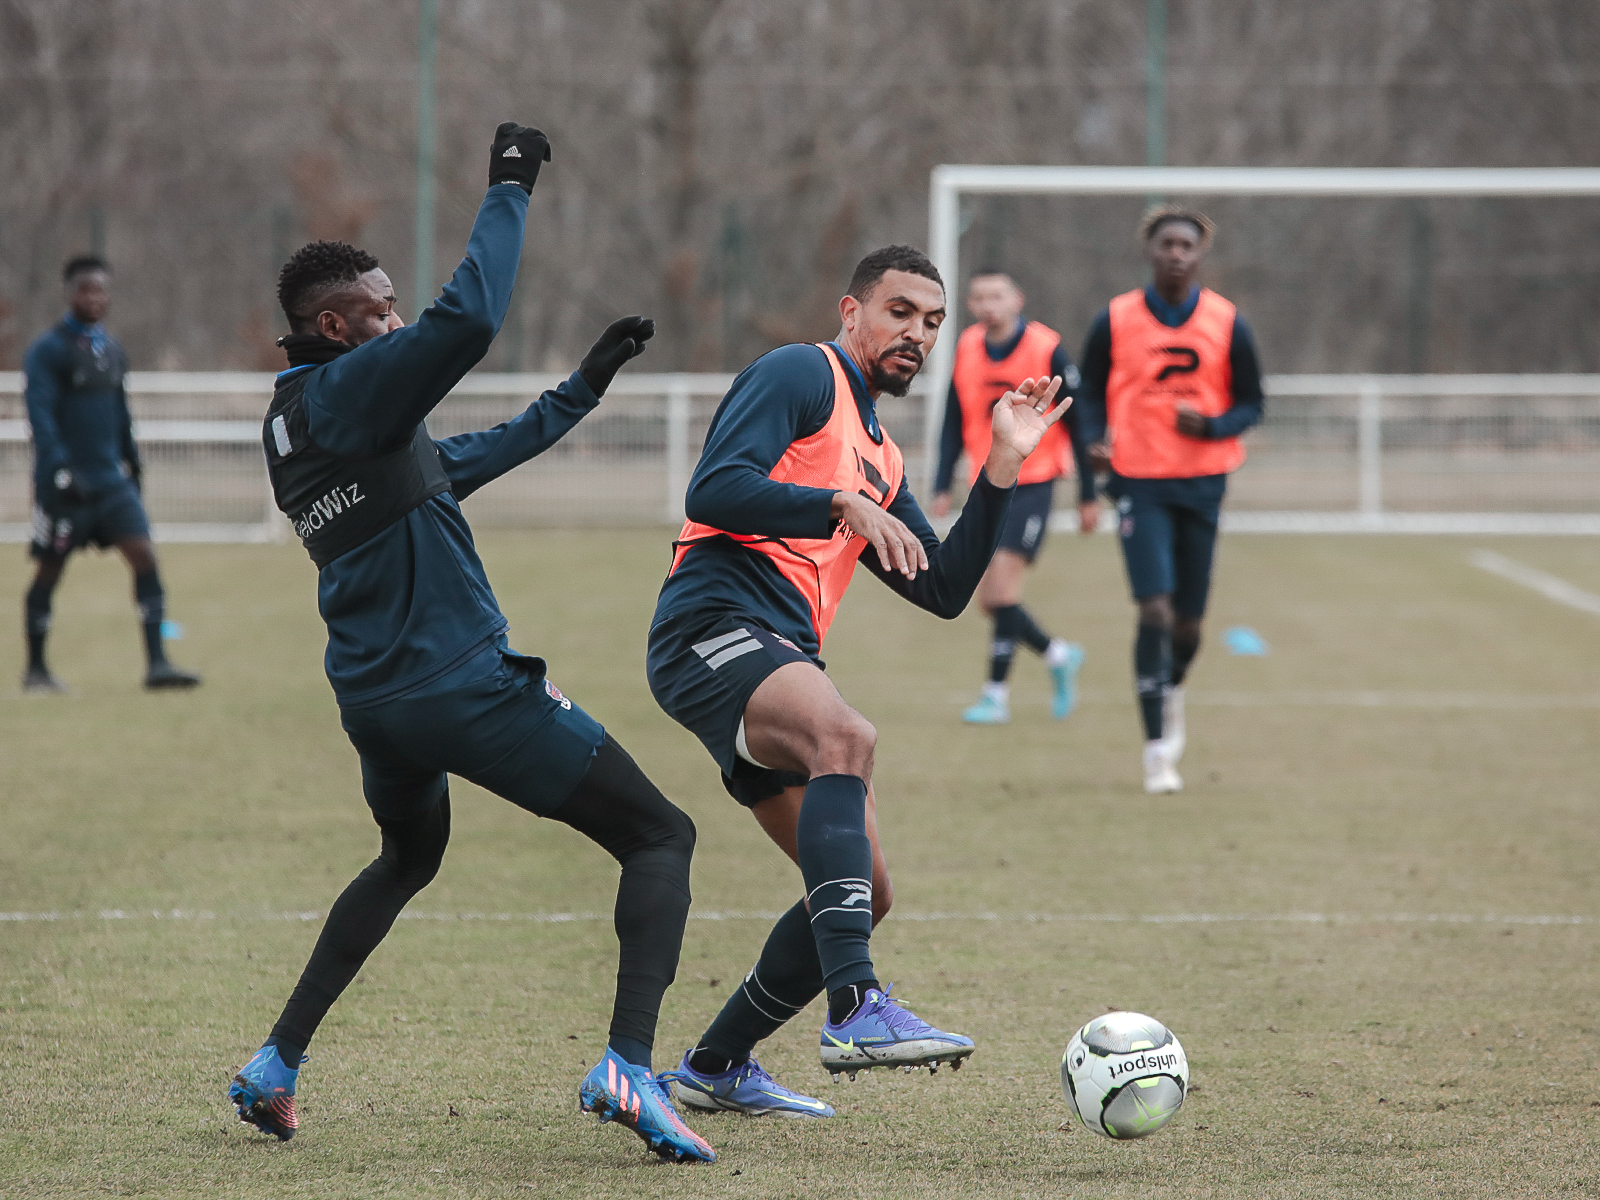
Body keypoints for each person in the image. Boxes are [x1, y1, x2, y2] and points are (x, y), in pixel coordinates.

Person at [227, 123, 715, 1165]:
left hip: (376, 703)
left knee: (408, 856)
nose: (398, 321)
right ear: (332, 326)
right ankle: (630, 1067)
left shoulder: (302, 419)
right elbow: (471, 319)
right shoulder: (346, 392)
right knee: (660, 836)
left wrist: (583, 387)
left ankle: (275, 1063)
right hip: (460, 688)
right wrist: (510, 185)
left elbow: (459, 462)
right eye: (380, 310)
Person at [646, 245, 1067, 1117]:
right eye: (900, 312)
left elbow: (944, 588)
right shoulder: (802, 374)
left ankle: (715, 1065)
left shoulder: (882, 456)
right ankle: (854, 1010)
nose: (918, 334)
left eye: (933, 322)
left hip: (779, 652)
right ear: (852, 311)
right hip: (711, 625)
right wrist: (838, 504)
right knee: (847, 736)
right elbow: (714, 489)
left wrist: (1002, 462)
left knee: (862, 894)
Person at [1076, 207, 1265, 794]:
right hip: (1138, 481)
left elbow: (1253, 403)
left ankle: (1172, 684)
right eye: (1167, 244)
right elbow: (1088, 394)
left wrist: (1212, 426)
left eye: (1187, 245)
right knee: (1153, 611)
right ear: (1150, 250)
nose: (1177, 253)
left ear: (1200, 254)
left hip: (1203, 483)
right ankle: (1157, 750)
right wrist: (1094, 442)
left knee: (1188, 626)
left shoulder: (1227, 322)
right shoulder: (1114, 319)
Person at [20, 256, 201, 693]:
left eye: (100, 290)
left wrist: (132, 462)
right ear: (69, 293)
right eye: (85, 290)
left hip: (110, 482)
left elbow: (120, 412)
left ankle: (158, 665)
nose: (94, 298)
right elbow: (40, 415)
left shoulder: (112, 350)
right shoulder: (48, 350)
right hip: (65, 484)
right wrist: (59, 470)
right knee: (49, 570)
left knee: (144, 557)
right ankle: (36, 671)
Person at [931, 268, 1095, 725]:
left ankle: (995, 696)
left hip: (1034, 481)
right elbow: (953, 419)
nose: (989, 305)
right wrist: (942, 483)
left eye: (997, 295)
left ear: (1017, 299)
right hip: (987, 482)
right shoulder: (967, 347)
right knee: (989, 601)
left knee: (1001, 592)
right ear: (970, 304)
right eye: (980, 297)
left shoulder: (1046, 347)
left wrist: (1088, 494)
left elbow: (1080, 423)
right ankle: (1058, 654)